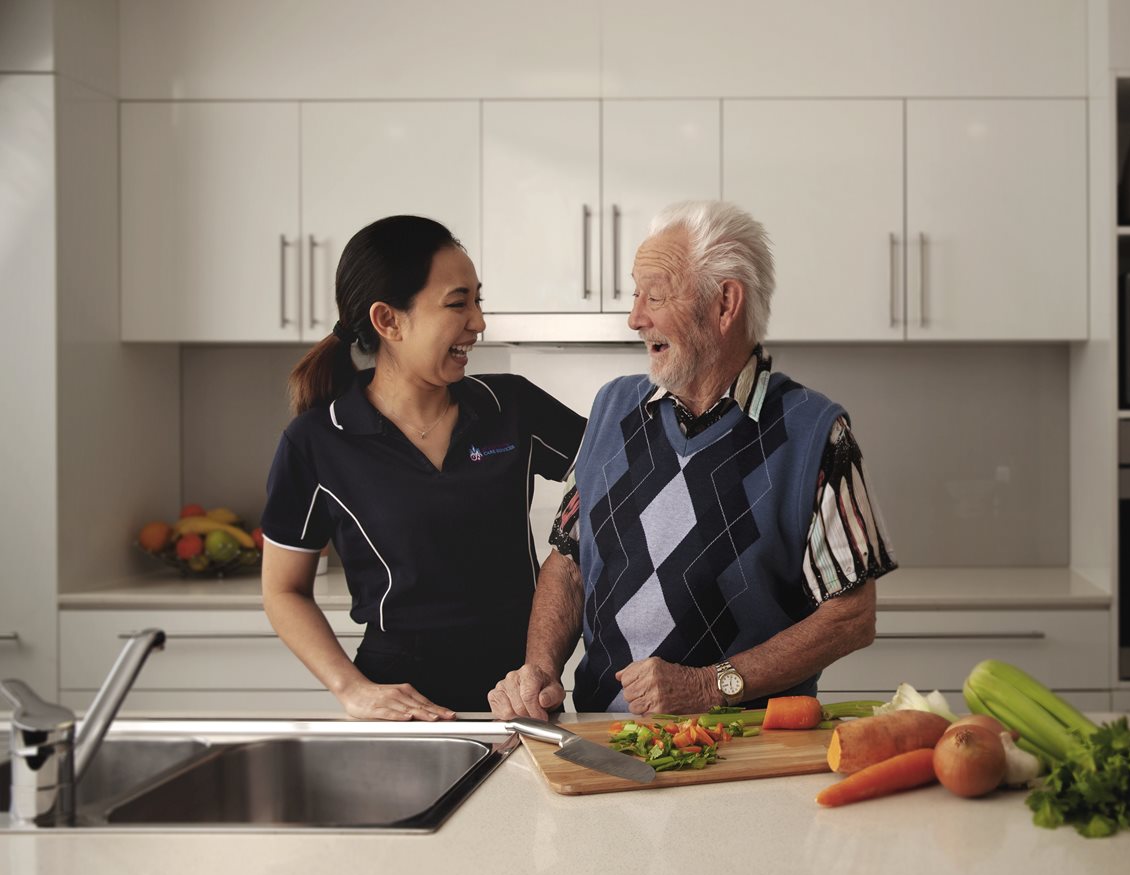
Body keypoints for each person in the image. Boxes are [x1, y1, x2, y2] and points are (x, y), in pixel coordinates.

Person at [489, 201, 896, 719]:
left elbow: (851, 616)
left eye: (654, 296)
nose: (636, 318)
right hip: (601, 738)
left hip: (742, 750)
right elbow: (568, 562)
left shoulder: (815, 433)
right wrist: (540, 670)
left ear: (725, 304)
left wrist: (710, 686)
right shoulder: (612, 408)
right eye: (636, 295)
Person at [261, 215, 585, 719]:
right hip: (404, 701)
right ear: (388, 321)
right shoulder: (316, 442)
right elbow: (283, 590)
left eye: (479, 300)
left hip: (520, 694)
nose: (478, 321)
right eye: (458, 303)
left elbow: (620, 474)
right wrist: (352, 689)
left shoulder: (512, 406)